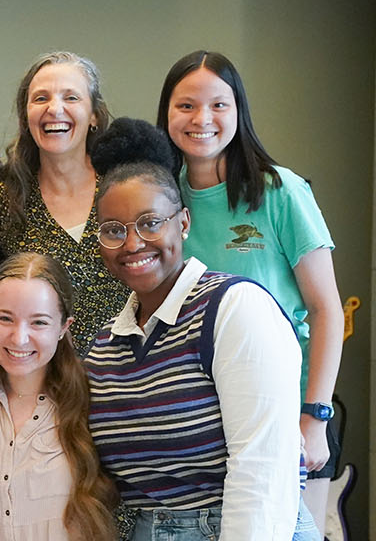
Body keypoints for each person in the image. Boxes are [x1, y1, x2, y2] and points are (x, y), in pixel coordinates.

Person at [85, 117, 316, 539]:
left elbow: (263, 470)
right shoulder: (104, 348)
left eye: (151, 222)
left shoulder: (234, 309)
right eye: (114, 230)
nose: (133, 243)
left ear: (184, 223)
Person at [157, 50, 343, 526]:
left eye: (219, 105)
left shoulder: (279, 190)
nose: (202, 119)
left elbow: (326, 309)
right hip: (202, 427)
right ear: (167, 114)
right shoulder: (162, 199)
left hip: (290, 418)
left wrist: (315, 417)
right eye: (186, 106)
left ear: (239, 111)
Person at [0, 252, 115, 540]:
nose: (19, 338)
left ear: (64, 327)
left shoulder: (94, 402)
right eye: (5, 318)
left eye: (39, 323)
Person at [0, 52, 127, 352]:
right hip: (46, 383)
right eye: (40, 98)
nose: (55, 109)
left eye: (71, 97)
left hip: (129, 378)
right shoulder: (7, 199)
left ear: (94, 115)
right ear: (25, 116)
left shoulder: (125, 187)